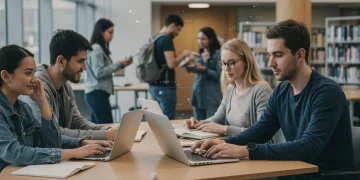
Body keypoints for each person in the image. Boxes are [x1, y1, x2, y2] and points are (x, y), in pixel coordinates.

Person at [191, 19, 354, 179]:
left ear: (300, 55)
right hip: (293, 170)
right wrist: (223, 142)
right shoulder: (281, 90)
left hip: (322, 175)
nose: (270, 63)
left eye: (278, 55)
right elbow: (260, 130)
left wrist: (246, 150)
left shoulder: (326, 93)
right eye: (269, 55)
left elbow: (309, 147)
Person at [0, 45, 112, 172]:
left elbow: (50, 142)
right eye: (28, 73)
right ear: (6, 76)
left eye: (34, 72)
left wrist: (81, 143)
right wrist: (73, 153)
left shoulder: (23, 108)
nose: (34, 79)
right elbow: (15, 154)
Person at [20, 30, 118, 140]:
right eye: (80, 61)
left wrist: (107, 130)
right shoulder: (36, 89)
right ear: (61, 61)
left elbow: (76, 122)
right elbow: (52, 133)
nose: (85, 68)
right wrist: (103, 135)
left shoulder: (65, 87)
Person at [184, 38, 272, 136]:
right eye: (223, 63)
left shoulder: (261, 90)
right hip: (233, 146)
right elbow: (218, 119)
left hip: (250, 150)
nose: (226, 68)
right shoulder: (231, 89)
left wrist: (225, 129)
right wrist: (198, 124)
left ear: (246, 62)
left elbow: (262, 133)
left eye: (231, 62)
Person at [85, 18, 132, 124]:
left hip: (96, 94)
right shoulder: (97, 49)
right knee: (107, 127)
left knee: (98, 129)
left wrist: (122, 65)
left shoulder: (98, 48)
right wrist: (119, 63)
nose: (112, 36)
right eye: (110, 32)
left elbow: (105, 70)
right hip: (97, 94)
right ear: (101, 31)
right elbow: (99, 72)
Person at [149, 14, 191, 120]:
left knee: (156, 119)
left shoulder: (155, 38)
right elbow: (171, 64)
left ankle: (157, 136)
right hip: (165, 86)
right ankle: (166, 137)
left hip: (153, 85)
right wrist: (184, 55)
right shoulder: (166, 39)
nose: (177, 33)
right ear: (172, 25)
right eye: (178, 30)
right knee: (168, 120)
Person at [184, 27, 222, 120]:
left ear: (211, 39)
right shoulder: (199, 54)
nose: (200, 41)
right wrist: (189, 65)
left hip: (211, 96)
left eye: (203, 39)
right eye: (198, 39)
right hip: (198, 94)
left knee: (210, 126)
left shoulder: (218, 55)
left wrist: (205, 69)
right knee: (198, 126)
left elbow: (219, 75)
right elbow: (198, 72)